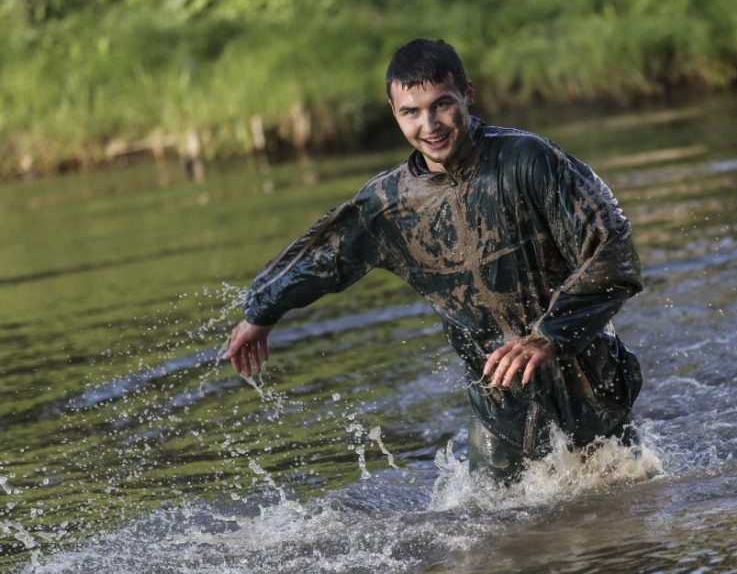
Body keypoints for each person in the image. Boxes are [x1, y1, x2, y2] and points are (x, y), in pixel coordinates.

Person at [222, 39, 644, 483]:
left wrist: (546, 337)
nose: (430, 125)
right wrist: (262, 311)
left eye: (442, 105)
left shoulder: (530, 161)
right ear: (393, 111)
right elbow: (326, 253)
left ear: (468, 94)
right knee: (497, 537)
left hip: (589, 384)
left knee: (622, 510)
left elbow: (614, 251)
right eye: (411, 112)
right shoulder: (390, 204)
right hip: (500, 412)